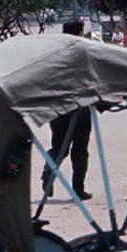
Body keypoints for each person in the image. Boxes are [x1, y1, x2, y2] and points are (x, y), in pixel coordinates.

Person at [42, 21, 93, 201]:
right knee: (79, 150)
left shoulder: (52, 52)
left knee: (59, 148)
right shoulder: (82, 51)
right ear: (79, 33)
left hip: (57, 107)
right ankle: (78, 189)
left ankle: (49, 169)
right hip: (79, 106)